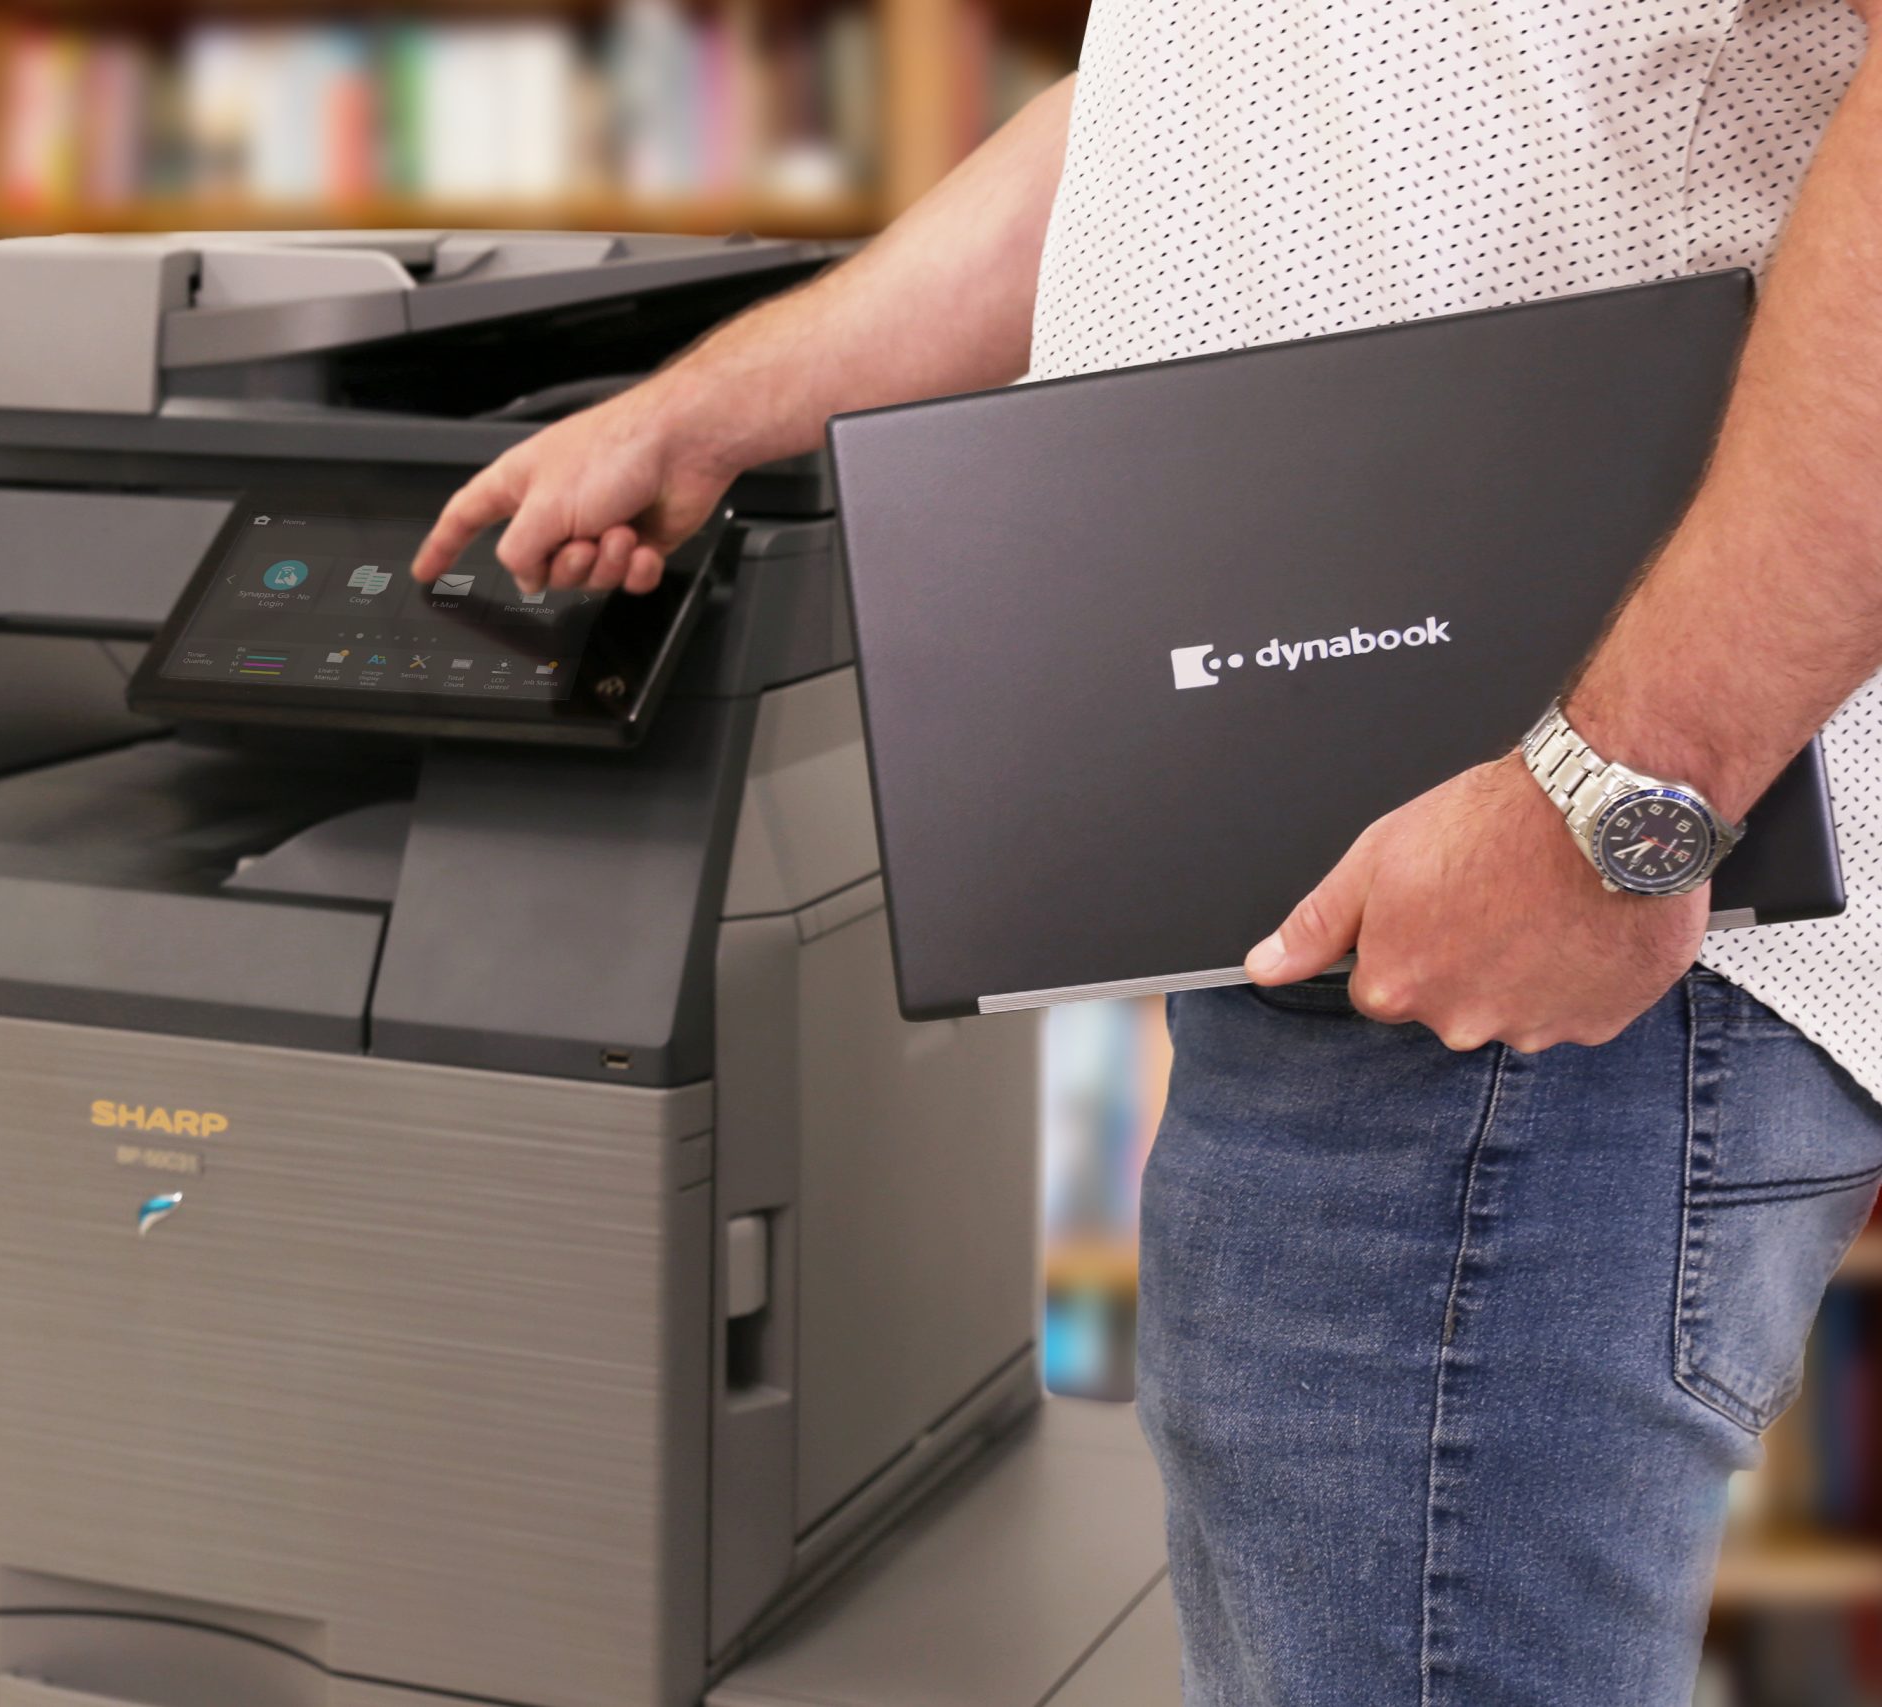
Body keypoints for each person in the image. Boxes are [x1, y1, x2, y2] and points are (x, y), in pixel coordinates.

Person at [411, 3, 1882, 1700]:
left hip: (1556, 929)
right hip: (1415, 886)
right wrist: (708, 410)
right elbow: (1177, 132)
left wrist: (1625, 796)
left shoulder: (1581, 855)